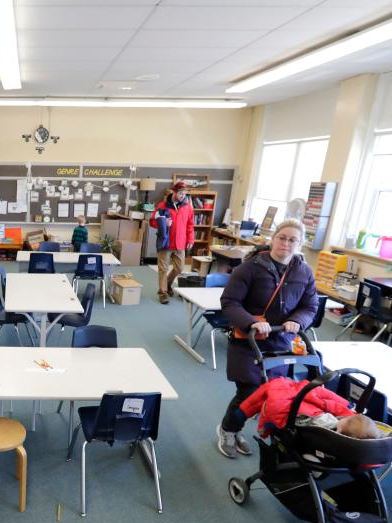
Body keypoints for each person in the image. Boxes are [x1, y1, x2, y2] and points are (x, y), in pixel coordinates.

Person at [217, 219, 318, 458]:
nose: (286, 243)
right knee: (249, 392)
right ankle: (228, 429)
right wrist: (252, 322)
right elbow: (229, 303)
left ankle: (247, 430)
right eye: (282, 237)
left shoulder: (304, 272)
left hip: (280, 342)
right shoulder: (249, 268)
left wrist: (298, 321)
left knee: (274, 392)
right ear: (273, 238)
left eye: (293, 239)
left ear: (300, 243)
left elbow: (310, 306)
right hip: (247, 340)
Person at [231, 376, 356, 437]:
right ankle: (229, 429)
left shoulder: (278, 388)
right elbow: (329, 396)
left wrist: (264, 428)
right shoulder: (309, 386)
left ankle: (234, 424)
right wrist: (347, 406)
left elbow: (257, 402)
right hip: (308, 412)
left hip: (301, 412)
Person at [150, 181, 195, 304]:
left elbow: (190, 225)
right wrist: (163, 223)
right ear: (173, 192)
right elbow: (152, 222)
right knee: (163, 269)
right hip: (165, 243)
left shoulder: (188, 207)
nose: (182, 196)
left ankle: (168, 284)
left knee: (179, 268)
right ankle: (163, 293)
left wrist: (191, 239)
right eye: (180, 193)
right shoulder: (162, 206)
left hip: (180, 243)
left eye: (184, 194)